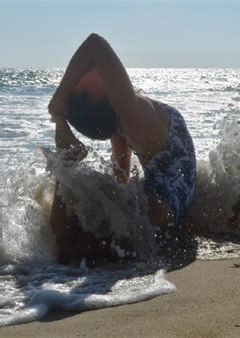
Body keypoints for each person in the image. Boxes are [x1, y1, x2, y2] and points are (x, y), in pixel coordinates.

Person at [47, 33, 196, 265]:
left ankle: (66, 164)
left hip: (162, 210)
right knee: (75, 231)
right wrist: (62, 107)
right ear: (94, 95)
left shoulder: (130, 112)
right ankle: (66, 164)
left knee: (67, 251)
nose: (88, 71)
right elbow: (121, 180)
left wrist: (60, 100)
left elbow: (95, 43)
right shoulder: (122, 119)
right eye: (80, 82)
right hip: (169, 204)